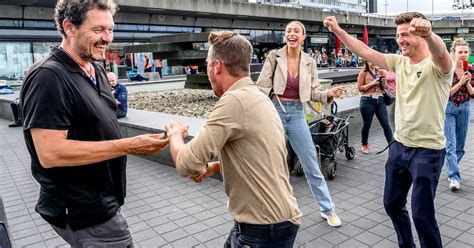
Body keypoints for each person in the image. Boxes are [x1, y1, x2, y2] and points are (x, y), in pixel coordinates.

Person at [20, 1, 169, 247]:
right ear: (69, 27)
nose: (107, 38)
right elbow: (50, 153)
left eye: (111, 30)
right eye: (98, 30)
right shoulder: (48, 77)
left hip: (104, 198)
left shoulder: (96, 69)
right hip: (83, 209)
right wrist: (129, 145)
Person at [324, 12, 453, 248]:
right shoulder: (399, 62)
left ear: (421, 36)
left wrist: (430, 33)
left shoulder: (437, 66)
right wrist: (338, 31)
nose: (400, 39)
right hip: (399, 147)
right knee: (392, 204)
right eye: (397, 35)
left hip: (428, 151)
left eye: (405, 34)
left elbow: (441, 53)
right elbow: (364, 51)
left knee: (422, 216)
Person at [166, 31, 302, 247]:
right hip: (273, 222)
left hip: (263, 230)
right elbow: (260, 159)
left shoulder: (234, 101)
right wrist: (215, 167)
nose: (208, 71)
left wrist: (174, 135)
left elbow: (186, 164)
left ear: (217, 66)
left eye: (208, 64)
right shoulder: (257, 96)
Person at [256, 21, 343, 227]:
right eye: (288, 31)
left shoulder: (309, 62)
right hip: (274, 112)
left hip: (296, 114)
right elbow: (261, 87)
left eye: (296, 31)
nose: (292, 34)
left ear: (303, 36)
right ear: (284, 36)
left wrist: (328, 94)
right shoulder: (273, 57)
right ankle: (270, 210)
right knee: (272, 165)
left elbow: (313, 92)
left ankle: (328, 209)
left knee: (311, 163)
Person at [444, 38, 474, 190]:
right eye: (460, 52)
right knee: (451, 144)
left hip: (465, 108)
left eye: (465, 52)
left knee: (460, 147)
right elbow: (446, 94)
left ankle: (450, 163)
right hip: (449, 109)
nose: (463, 55)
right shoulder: (447, 70)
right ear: (453, 53)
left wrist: (467, 82)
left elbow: (473, 94)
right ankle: (454, 177)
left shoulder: (472, 70)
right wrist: (461, 82)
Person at [357, 60, 393, 154]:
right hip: (367, 100)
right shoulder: (363, 73)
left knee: (386, 124)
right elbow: (360, 88)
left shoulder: (380, 72)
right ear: (367, 62)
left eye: (373, 61)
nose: (373, 63)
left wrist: (384, 82)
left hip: (380, 100)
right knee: (367, 124)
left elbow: (385, 88)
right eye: (370, 61)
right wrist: (372, 83)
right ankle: (364, 144)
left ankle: (392, 145)